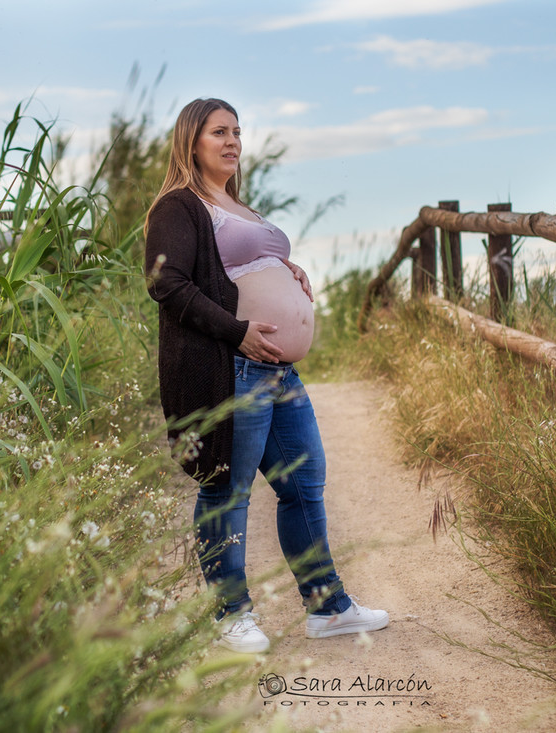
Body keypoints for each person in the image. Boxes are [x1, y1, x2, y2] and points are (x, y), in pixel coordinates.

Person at [144, 98, 388, 653]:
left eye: (237, 132)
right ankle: (231, 615)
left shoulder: (235, 204)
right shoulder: (178, 206)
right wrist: (236, 330)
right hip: (232, 367)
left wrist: (284, 268)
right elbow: (168, 284)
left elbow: (237, 262)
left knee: (304, 484)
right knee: (226, 489)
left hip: (279, 371)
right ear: (191, 141)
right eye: (218, 133)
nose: (232, 141)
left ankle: (327, 609)